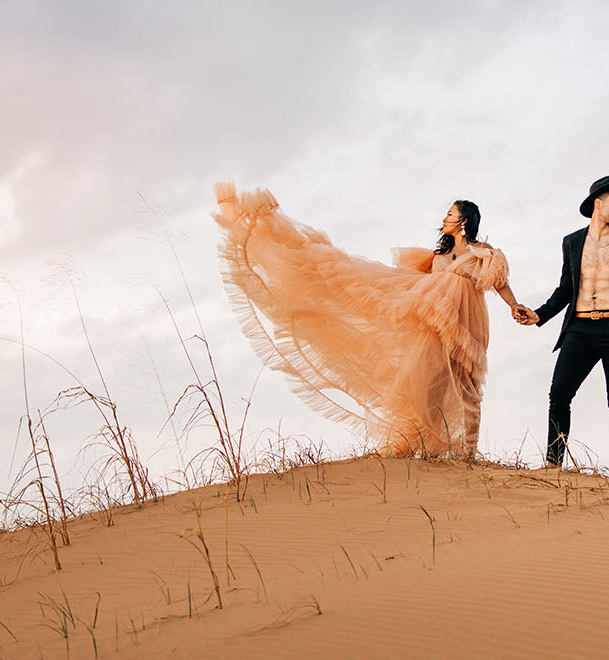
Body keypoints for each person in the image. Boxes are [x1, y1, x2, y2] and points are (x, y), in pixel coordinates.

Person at [213, 183, 522, 458]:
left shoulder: (483, 253)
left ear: (463, 221)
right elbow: (415, 286)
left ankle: (468, 451)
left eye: (450, 214)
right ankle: (423, 444)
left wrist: (514, 306)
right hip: (435, 324)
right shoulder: (435, 259)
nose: (444, 219)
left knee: (468, 386)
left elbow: (499, 283)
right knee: (429, 384)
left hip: (469, 325)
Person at [514, 175, 609, 478]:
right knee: (559, 394)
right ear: (598, 202)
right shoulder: (572, 242)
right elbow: (566, 290)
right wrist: (538, 315)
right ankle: (553, 467)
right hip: (579, 329)